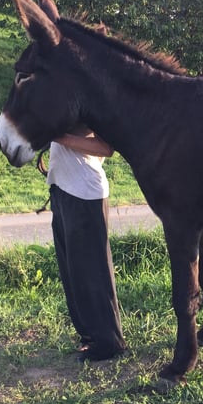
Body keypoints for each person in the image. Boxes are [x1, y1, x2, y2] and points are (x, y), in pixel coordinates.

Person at [47, 126, 127, 362]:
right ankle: (90, 336)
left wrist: (58, 135)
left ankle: (109, 342)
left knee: (93, 272)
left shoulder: (87, 104)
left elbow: (106, 147)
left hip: (85, 193)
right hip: (62, 189)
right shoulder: (65, 101)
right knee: (73, 272)